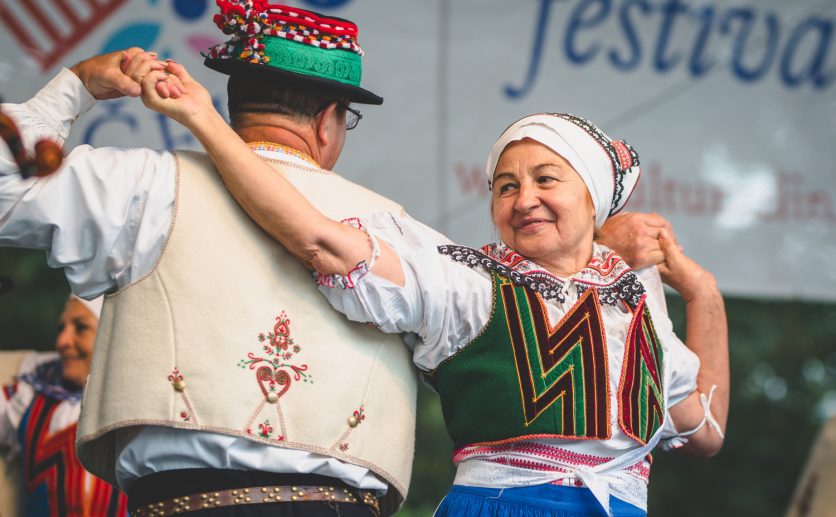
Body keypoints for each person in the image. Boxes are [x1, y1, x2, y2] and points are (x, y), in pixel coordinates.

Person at [0, 2, 678, 515]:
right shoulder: (399, 231)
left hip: (178, 500)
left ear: (237, 101)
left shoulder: (141, 186)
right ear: (329, 122)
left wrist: (80, 84)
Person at [135, 61, 729, 516]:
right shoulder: (466, 281)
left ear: (594, 199)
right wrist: (205, 121)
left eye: (546, 179)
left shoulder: (637, 310)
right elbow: (321, 241)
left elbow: (705, 430)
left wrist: (703, 294)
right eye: (503, 186)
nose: (523, 199)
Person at [0, 295, 128, 516]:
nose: (62, 341)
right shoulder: (30, 394)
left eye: (80, 328)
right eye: (61, 328)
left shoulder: (139, 404)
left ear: (113, 336)